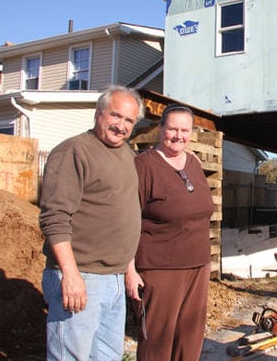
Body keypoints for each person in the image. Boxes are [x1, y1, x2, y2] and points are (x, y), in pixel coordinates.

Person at [39, 85, 145, 360]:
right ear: (98, 113)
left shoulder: (127, 155)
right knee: (71, 356)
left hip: (114, 279)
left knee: (107, 356)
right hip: (81, 276)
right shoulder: (74, 151)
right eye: (116, 116)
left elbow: (125, 213)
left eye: (129, 121)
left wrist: (129, 268)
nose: (121, 126)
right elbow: (55, 217)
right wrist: (70, 275)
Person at [125, 104, 214, 361]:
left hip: (198, 264)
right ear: (161, 129)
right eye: (172, 129)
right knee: (158, 339)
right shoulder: (143, 165)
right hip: (160, 268)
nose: (178, 136)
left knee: (191, 337)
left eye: (184, 130)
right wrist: (130, 270)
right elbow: (129, 220)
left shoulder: (194, 161)